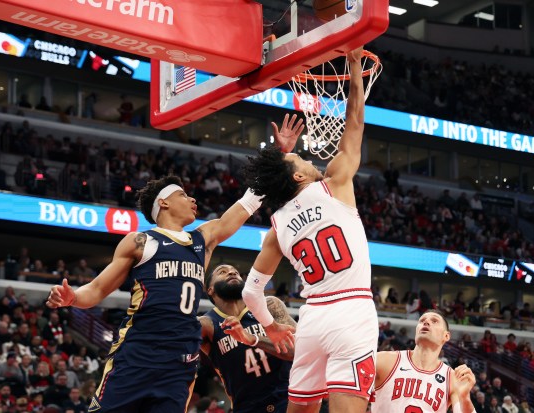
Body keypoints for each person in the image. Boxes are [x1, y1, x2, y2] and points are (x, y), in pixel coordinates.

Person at [45, 136, 302, 413]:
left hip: (179, 362)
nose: (192, 198)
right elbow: (95, 290)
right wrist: (72, 297)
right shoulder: (140, 241)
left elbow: (245, 205)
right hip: (138, 352)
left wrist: (276, 156)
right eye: (182, 194)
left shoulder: (203, 239)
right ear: (163, 204)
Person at [242, 48, 377, 413]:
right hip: (351, 310)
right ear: (298, 176)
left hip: (312, 319)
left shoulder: (277, 224)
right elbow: (355, 122)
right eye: (301, 159)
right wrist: (353, 68)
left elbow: (251, 292)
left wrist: (271, 326)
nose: (308, 158)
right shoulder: (335, 182)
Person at [200, 264, 295, 413]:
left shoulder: (269, 305)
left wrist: (251, 338)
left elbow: (297, 352)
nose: (231, 273)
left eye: (235, 272)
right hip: (247, 407)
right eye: (222, 272)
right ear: (209, 289)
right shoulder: (207, 325)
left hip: (289, 399)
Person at [371, 310, 476, 413]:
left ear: (446, 336)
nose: (426, 322)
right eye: (422, 321)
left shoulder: (452, 378)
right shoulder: (385, 360)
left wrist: (465, 398)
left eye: (434, 321)